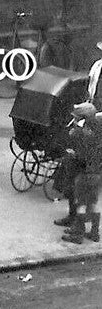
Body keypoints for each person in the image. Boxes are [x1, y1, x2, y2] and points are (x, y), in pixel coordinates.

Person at [60, 104, 102, 244]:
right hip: (97, 172)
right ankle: (95, 233)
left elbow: (81, 154)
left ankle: (78, 234)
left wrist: (73, 153)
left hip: (84, 172)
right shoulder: (98, 130)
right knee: (94, 202)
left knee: (80, 204)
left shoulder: (80, 133)